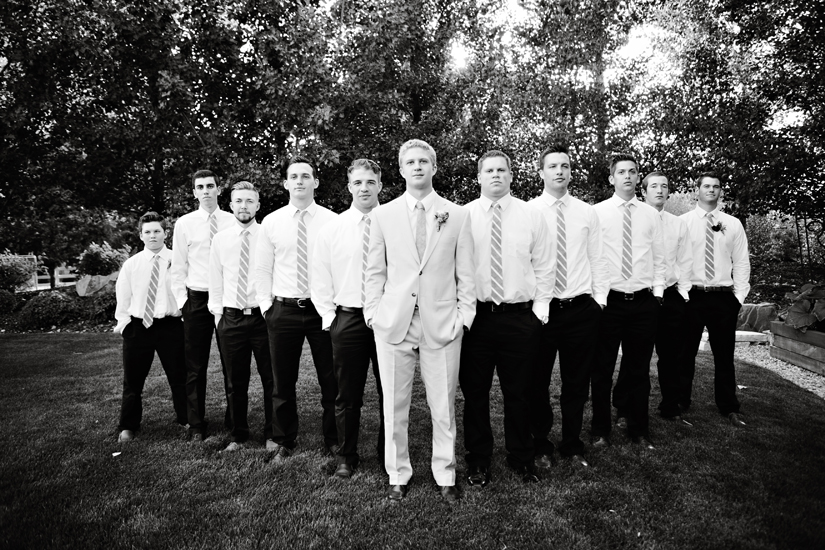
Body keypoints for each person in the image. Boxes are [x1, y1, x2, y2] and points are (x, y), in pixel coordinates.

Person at [364, 139, 476, 502]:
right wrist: (373, 314)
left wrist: (464, 317)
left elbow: (466, 273)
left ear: (434, 167)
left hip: (442, 323)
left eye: (423, 161)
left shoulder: (457, 214)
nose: (417, 167)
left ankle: (446, 475)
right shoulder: (383, 215)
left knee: (443, 406)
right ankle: (397, 474)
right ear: (400, 169)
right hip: (393, 323)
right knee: (394, 407)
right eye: (410, 162)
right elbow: (374, 271)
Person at [460, 150, 553, 486]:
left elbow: (545, 265)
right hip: (478, 319)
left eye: (502, 170)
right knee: (475, 393)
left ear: (511, 175)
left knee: (521, 392)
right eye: (489, 171)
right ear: (479, 177)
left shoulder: (531, 215)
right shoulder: (463, 216)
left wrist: (538, 312)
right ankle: (478, 459)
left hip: (520, 318)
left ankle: (522, 457)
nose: (496, 175)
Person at [529, 144, 609, 468]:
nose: (559, 171)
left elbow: (598, 259)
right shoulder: (528, 212)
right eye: (552, 166)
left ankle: (572, 445)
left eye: (564, 166)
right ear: (541, 172)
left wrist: (599, 302)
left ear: (571, 172)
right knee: (537, 383)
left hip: (580, 310)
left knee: (576, 384)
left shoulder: (586, 212)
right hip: (542, 312)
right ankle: (540, 444)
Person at [254, 156, 339, 459]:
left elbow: (340, 266)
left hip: (322, 310)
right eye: (294, 176)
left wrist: (333, 307)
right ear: (286, 183)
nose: (300, 181)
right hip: (284, 310)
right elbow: (262, 268)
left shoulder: (333, 220)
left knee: (331, 379)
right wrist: (267, 307)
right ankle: (283, 440)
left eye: (306, 175)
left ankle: (334, 440)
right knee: (282, 381)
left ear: (316, 182)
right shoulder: (272, 222)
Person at [312, 159, 386, 479]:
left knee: (390, 393)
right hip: (348, 319)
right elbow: (320, 277)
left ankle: (389, 456)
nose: (364, 188)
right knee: (346, 394)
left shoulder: (394, 224)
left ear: (380, 185)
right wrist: (331, 319)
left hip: (387, 319)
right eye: (358, 182)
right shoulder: (333, 229)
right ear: (349, 187)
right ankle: (346, 456)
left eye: (370, 182)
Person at [591, 153, 666, 449]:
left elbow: (659, 257)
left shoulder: (650, 214)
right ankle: (600, 430)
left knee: (639, 370)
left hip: (643, 303)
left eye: (632, 172)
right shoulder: (596, 213)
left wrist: (658, 295)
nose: (627, 176)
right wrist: (597, 298)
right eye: (621, 172)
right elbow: (591, 257)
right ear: (612, 178)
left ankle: (639, 429)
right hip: (608, 303)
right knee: (602, 369)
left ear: (638, 178)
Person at [679, 172, 750, 426]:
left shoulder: (733, 224)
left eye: (716, 186)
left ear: (721, 191)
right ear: (696, 189)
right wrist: (682, 293)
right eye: (706, 186)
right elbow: (675, 260)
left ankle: (729, 405)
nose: (711, 190)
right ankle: (680, 401)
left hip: (723, 298)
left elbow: (741, 261)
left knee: (724, 355)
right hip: (692, 296)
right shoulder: (683, 222)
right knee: (685, 353)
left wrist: (738, 297)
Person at [208, 181, 275, 451]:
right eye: (239, 201)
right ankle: (238, 435)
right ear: (231, 205)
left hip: (263, 318)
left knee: (272, 379)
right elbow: (215, 279)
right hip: (231, 318)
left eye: (249, 201)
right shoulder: (220, 239)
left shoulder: (268, 236)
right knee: (235, 382)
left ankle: (273, 434)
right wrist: (219, 316)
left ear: (258, 205)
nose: (244, 206)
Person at [172, 170, 235, 441]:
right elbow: (178, 266)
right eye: (200, 187)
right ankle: (196, 424)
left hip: (228, 300)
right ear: (194, 192)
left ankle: (234, 421)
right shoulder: (184, 224)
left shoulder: (232, 220)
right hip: (197, 301)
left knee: (231, 363)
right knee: (195, 366)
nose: (206, 191)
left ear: (219, 189)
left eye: (210, 186)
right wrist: (183, 303)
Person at [115, 211, 187, 442]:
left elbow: (186, 291)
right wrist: (125, 325)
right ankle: (128, 426)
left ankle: (186, 418)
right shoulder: (132, 264)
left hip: (171, 327)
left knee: (179, 376)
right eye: (147, 232)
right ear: (141, 235)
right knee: (133, 381)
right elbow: (123, 297)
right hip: (139, 328)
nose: (152, 235)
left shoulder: (178, 260)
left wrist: (184, 320)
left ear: (165, 233)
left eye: (157, 231)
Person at [640, 172, 692, 422]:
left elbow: (685, 260)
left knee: (671, 355)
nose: (659, 190)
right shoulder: (634, 219)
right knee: (636, 356)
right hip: (641, 296)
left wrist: (682, 293)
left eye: (664, 186)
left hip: (670, 298)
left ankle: (670, 406)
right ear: (643, 192)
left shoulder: (678, 224)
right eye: (654, 186)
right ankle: (625, 408)